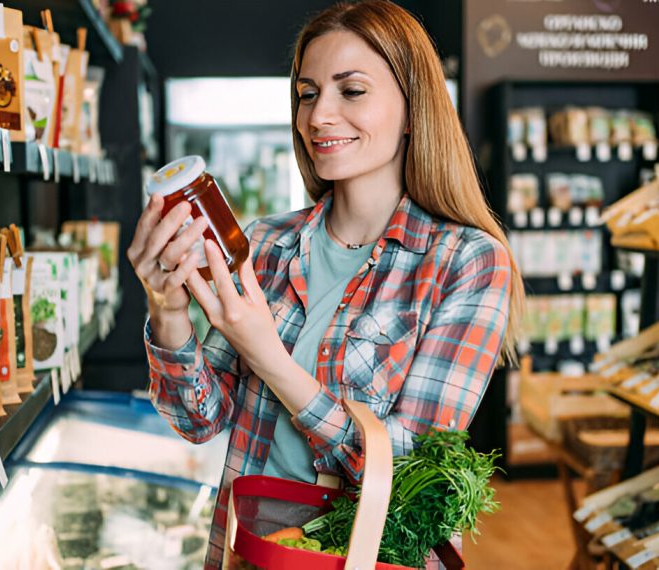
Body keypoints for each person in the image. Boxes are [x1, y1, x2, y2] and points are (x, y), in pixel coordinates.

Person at [127, 1, 524, 567]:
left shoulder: (467, 263)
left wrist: (271, 358)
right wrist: (167, 310)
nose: (318, 117)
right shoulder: (262, 244)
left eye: (352, 91)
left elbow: (415, 478)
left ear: (414, 110)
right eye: (308, 94)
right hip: (252, 553)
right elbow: (199, 421)